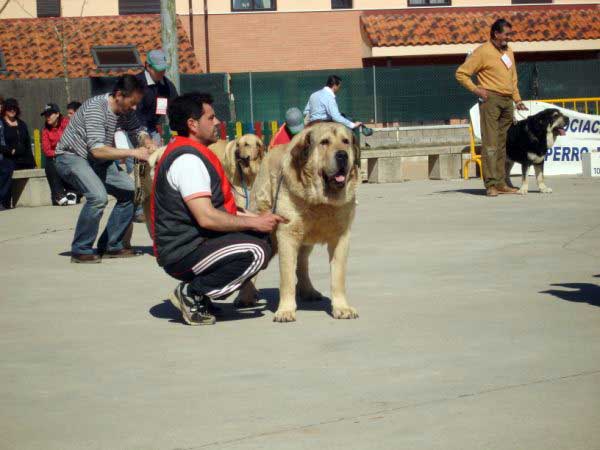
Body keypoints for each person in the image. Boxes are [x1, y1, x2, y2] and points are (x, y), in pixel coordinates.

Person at [152, 92, 286, 325]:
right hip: (183, 252)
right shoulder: (188, 161)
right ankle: (191, 294)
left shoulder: (192, 153)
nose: (218, 123)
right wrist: (255, 222)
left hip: (195, 244)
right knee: (257, 250)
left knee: (261, 236)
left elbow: (220, 208)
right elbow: (206, 217)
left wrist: (258, 218)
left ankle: (202, 294)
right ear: (192, 125)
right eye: (211, 118)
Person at [55, 75, 156, 263]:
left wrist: (147, 142)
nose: (134, 108)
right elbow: (98, 150)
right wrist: (134, 152)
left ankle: (112, 245)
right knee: (97, 197)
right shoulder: (97, 109)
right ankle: (81, 249)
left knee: (131, 193)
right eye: (132, 103)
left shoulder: (124, 110)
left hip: (95, 160)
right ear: (118, 95)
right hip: (71, 157)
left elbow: (138, 130)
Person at [456, 18, 528, 197]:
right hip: (491, 100)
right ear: (496, 34)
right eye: (506, 34)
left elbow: (513, 78)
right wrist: (476, 89)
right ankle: (491, 185)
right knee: (491, 143)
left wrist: (517, 99)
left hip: (507, 101)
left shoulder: (509, 51)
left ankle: (502, 182)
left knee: (504, 144)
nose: (509, 37)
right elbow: (461, 74)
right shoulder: (482, 52)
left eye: (510, 34)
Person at [135, 49, 179, 145]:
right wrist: (145, 137)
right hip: (134, 130)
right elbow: (135, 114)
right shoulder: (137, 84)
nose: (162, 73)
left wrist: (179, 132)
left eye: (163, 69)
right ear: (148, 66)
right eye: (158, 69)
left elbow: (176, 110)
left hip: (153, 129)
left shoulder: (167, 86)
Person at [41, 103, 77, 206]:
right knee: (50, 163)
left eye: (50, 114)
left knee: (72, 162)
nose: (47, 117)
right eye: (45, 115)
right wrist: (60, 153)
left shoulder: (67, 123)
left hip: (70, 155)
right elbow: (47, 150)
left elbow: (74, 141)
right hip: (56, 157)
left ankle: (73, 191)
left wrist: (65, 153)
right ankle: (58, 193)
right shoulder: (45, 130)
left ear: (57, 114)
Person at [2, 98, 35, 170]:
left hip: (24, 162)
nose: (12, 110)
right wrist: (10, 151)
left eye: (14, 108)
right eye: (9, 108)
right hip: (7, 162)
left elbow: (27, 144)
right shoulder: (1, 124)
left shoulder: (22, 124)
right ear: (5, 109)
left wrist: (32, 163)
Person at [0, 96, 13, 211]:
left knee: (8, 169)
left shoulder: (1, 120)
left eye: (0, 105)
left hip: (3, 155)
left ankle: (3, 201)